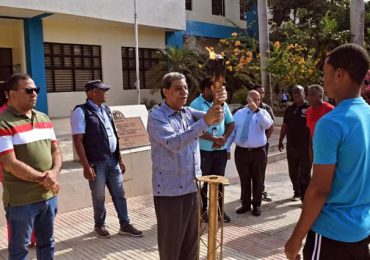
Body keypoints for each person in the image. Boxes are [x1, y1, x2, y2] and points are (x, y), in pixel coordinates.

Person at [285, 43, 370, 260]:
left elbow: (319, 190)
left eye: (325, 73)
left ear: (339, 74)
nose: (323, 80)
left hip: (331, 234)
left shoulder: (331, 123)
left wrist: (295, 239)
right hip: (361, 231)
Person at [148, 72, 226, 260]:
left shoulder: (188, 112)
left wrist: (218, 103)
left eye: (185, 88)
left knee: (191, 247)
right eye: (178, 88)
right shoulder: (157, 116)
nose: (184, 92)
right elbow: (175, 143)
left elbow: (217, 119)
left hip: (192, 188)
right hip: (170, 192)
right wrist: (206, 120)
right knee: (171, 248)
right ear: (165, 91)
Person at [0, 73, 61, 259]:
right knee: (19, 251)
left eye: (36, 90)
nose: (34, 94)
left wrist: (53, 174)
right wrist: (44, 178)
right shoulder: (3, 122)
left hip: (48, 197)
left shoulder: (43, 117)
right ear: (11, 94)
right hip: (21, 201)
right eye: (28, 90)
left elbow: (56, 152)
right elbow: (10, 163)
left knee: (47, 243)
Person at [71, 80, 142, 238]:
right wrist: (85, 166)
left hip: (113, 159)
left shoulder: (107, 110)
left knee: (119, 193)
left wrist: (120, 158)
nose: (107, 93)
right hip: (96, 162)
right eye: (103, 90)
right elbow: (78, 140)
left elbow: (114, 136)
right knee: (99, 195)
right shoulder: (81, 111)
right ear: (92, 92)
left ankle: (125, 224)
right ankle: (99, 225)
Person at [190, 76, 235, 223]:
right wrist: (213, 139)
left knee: (219, 181)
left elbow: (231, 123)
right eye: (216, 88)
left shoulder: (222, 104)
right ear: (207, 89)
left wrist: (224, 138)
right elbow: (195, 129)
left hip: (220, 150)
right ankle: (203, 211)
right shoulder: (195, 104)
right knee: (203, 182)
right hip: (204, 151)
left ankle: (219, 210)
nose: (219, 91)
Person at [227, 90, 273, 216]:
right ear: (248, 100)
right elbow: (233, 132)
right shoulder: (239, 113)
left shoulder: (263, 113)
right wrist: (227, 148)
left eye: (258, 100)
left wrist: (257, 112)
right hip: (242, 152)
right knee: (245, 179)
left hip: (258, 152)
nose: (257, 102)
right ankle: (245, 204)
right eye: (254, 99)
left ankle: (256, 205)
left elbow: (268, 125)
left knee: (258, 179)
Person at [278, 85, 311, 202]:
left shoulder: (310, 108)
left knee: (305, 172)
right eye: (294, 93)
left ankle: (305, 196)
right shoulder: (290, 109)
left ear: (304, 94)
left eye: (299, 92)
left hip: (306, 147)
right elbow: (285, 125)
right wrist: (281, 139)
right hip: (291, 146)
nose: (296, 95)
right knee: (293, 171)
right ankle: (296, 192)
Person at [254, 84, 274, 202]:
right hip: (249, 147)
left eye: (262, 93)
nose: (260, 95)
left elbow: (270, 126)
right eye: (258, 92)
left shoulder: (266, 108)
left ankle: (261, 190)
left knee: (261, 169)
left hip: (262, 145)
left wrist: (264, 140)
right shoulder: (244, 108)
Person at [306, 84, 334, 161]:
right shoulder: (308, 111)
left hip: (329, 150)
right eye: (308, 95)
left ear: (320, 95)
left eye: (312, 94)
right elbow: (310, 132)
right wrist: (310, 150)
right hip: (316, 150)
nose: (309, 97)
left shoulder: (330, 110)